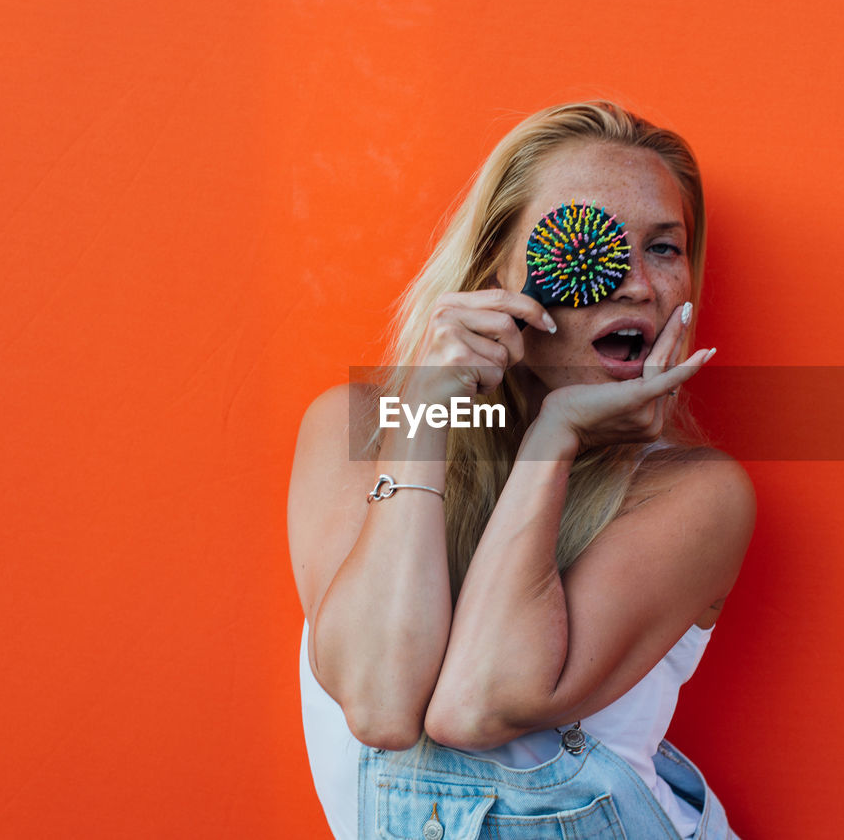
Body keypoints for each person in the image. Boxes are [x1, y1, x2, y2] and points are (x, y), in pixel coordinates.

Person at [289, 101, 756, 839]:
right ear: (495, 269)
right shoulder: (361, 428)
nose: (635, 282)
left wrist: (552, 441)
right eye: (585, 242)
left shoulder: (693, 493)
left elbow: (478, 704)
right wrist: (426, 420)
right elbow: (380, 702)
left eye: (665, 249)